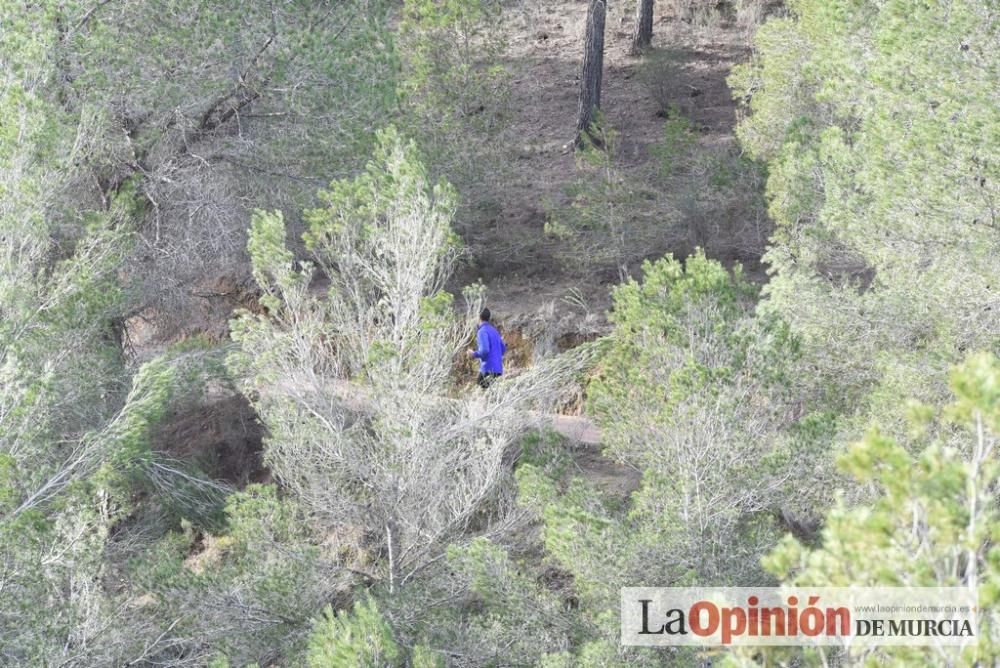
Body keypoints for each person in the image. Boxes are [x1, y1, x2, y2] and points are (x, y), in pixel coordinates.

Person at [468, 307, 506, 389]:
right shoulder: (494, 330)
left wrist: (473, 354)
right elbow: (503, 349)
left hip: (488, 369)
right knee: (492, 397)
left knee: (479, 393)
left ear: (478, 317)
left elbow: (485, 350)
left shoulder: (482, 331)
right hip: (498, 370)